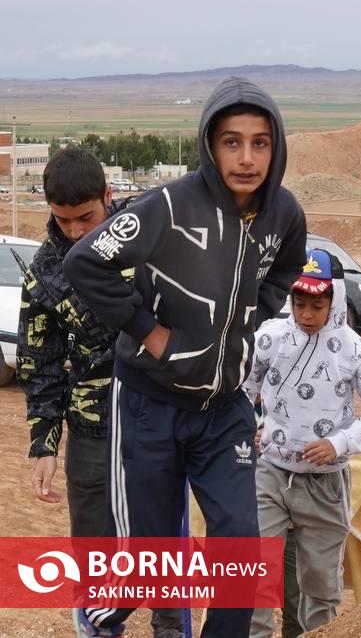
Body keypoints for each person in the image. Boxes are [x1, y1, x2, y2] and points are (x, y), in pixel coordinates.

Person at [65, 76, 308, 637]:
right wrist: (150, 333)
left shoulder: (283, 212)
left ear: (276, 147)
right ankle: (97, 621)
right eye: (231, 142)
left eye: (260, 143)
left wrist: (251, 318)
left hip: (224, 410)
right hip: (149, 404)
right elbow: (86, 262)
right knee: (148, 564)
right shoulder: (169, 205)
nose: (246, 158)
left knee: (240, 552)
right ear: (209, 145)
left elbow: (288, 267)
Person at [16, 149, 183, 638]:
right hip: (92, 428)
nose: (74, 231)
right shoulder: (45, 272)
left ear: (108, 196)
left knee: (162, 538)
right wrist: (44, 444)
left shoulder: (149, 237)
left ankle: (170, 627)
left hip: (157, 418)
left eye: (85, 218)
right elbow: (40, 364)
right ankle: (98, 628)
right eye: (62, 219)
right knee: (94, 550)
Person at [243, 247, 361, 637]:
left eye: (317, 305)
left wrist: (340, 443)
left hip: (325, 483)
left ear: (335, 301)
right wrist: (250, 424)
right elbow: (241, 389)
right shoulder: (270, 337)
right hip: (270, 473)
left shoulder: (354, 348)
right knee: (254, 574)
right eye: (300, 304)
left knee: (321, 588)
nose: (307, 315)